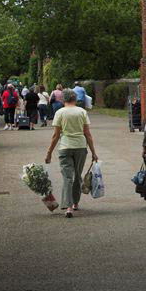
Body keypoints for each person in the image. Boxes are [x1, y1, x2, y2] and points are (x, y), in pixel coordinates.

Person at [45, 89, 98, 218]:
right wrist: (93, 152)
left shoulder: (60, 113)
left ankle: (68, 207)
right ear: (75, 99)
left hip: (65, 147)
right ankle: (75, 203)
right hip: (80, 147)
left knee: (67, 177)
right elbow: (88, 134)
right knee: (77, 175)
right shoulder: (82, 112)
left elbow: (56, 135)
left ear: (63, 100)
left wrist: (49, 153)